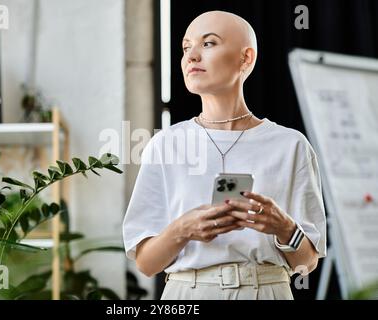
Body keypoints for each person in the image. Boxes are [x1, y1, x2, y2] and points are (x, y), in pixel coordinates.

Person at [122, 10, 326, 300]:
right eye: (185, 47)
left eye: (208, 43)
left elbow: (306, 263)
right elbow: (146, 263)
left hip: (267, 290)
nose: (191, 56)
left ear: (246, 58)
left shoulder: (291, 145)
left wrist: (284, 227)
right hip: (187, 293)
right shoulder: (165, 144)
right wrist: (183, 229)